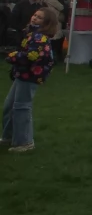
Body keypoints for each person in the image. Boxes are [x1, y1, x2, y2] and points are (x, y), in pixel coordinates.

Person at [1, 8, 59, 152]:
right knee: (10, 106)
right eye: (35, 15)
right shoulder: (31, 34)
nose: (34, 18)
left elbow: (31, 56)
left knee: (22, 107)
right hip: (22, 74)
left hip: (30, 76)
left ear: (46, 23)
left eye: (39, 18)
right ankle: (8, 136)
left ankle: (25, 141)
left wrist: (13, 56)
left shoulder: (40, 38)